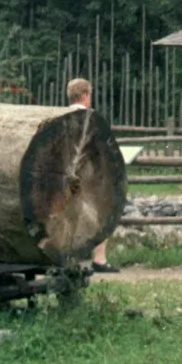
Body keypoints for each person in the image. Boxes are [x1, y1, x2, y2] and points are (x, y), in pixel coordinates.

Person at [67, 78, 119, 274]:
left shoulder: (59, 117)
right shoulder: (90, 118)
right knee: (102, 212)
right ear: (86, 95)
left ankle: (70, 257)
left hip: (63, 174)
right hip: (86, 175)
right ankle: (99, 258)